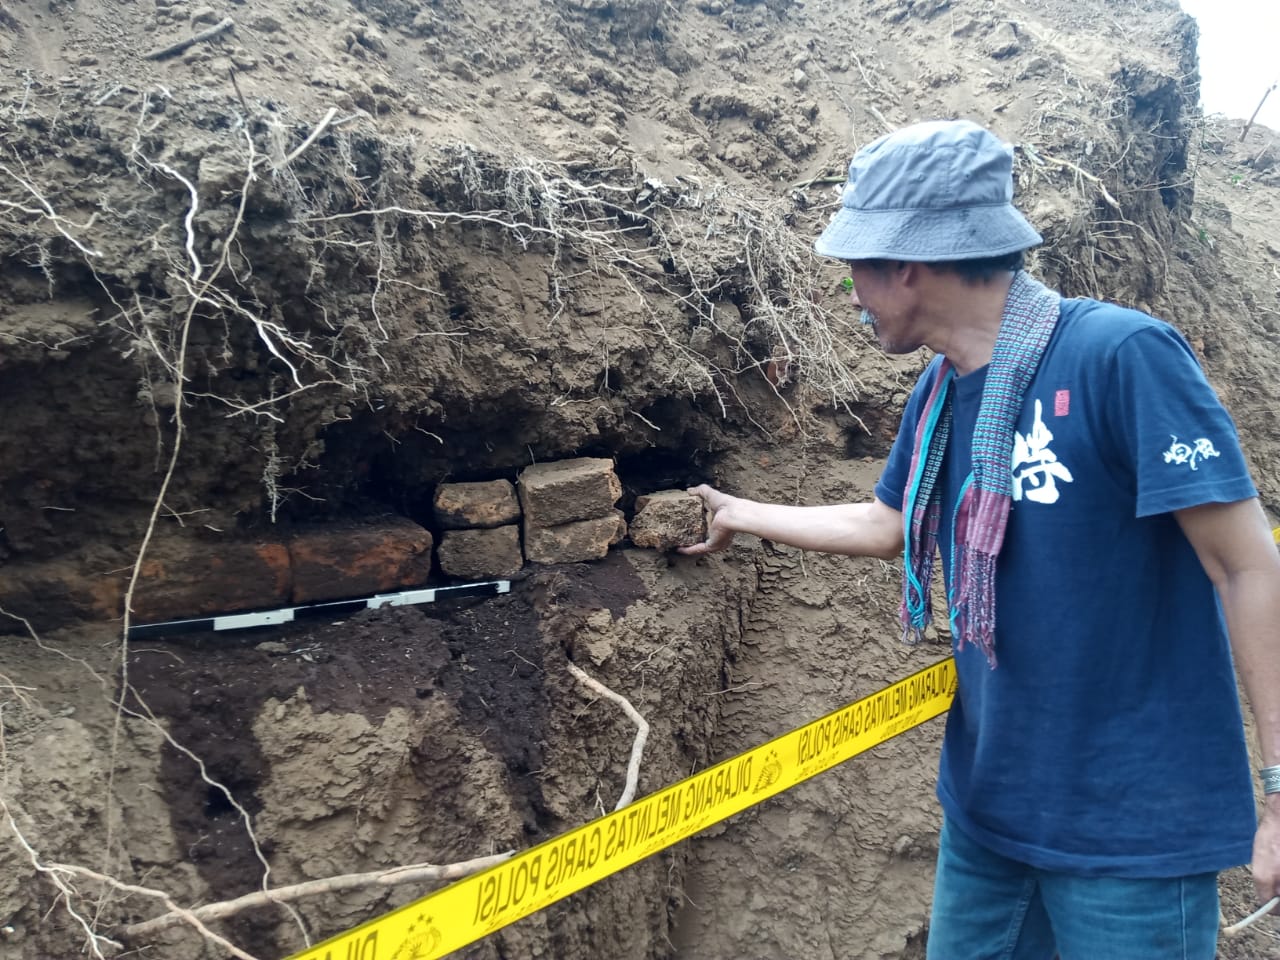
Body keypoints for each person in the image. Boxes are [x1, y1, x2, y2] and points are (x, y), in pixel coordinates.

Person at [679, 120, 1280, 959]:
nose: (849, 291)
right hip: (990, 818)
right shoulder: (941, 390)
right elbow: (887, 523)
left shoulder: (1120, 356)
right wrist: (741, 512)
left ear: (905, 265)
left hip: (1131, 835)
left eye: (855, 266)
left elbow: (1247, 566)